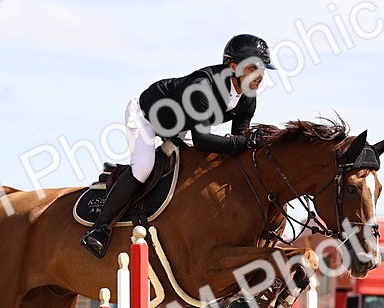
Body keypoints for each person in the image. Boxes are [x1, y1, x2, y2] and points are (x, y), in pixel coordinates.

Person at [80, 34, 276, 259]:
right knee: (144, 167)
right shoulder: (204, 87)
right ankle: (99, 229)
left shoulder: (248, 97)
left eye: (263, 69)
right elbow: (203, 140)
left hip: (181, 127)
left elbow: (238, 140)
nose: (260, 76)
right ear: (233, 67)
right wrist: (245, 142)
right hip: (147, 115)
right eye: (254, 68)